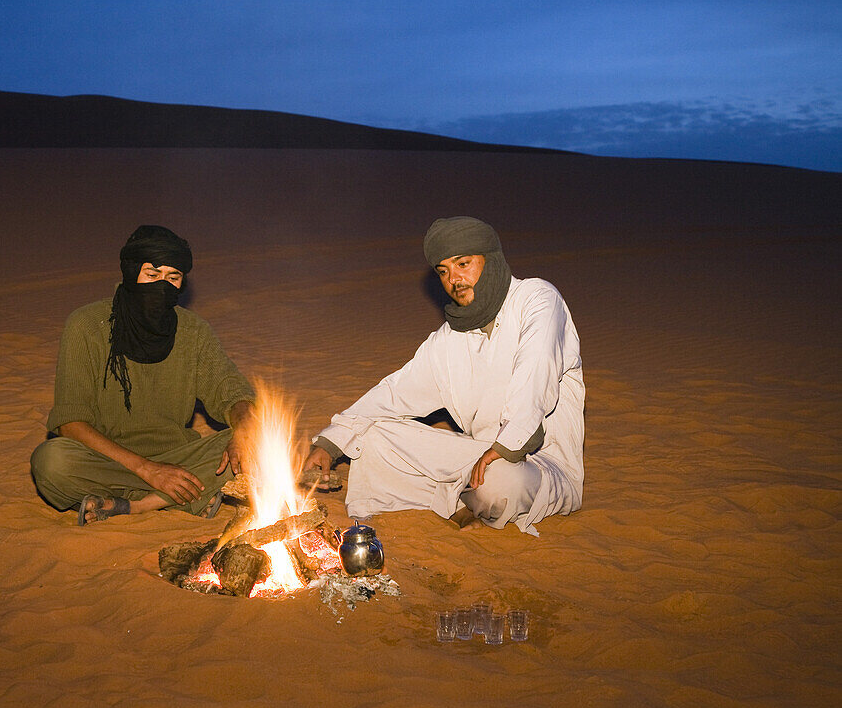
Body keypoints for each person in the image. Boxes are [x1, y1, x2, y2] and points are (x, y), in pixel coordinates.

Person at [302, 217, 584, 536]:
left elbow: (537, 374)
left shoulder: (537, 298)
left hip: (540, 466)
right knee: (370, 438)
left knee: (500, 482)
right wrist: (331, 443)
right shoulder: (449, 339)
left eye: (463, 264)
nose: (454, 279)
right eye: (443, 271)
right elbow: (393, 394)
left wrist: (507, 447)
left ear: (490, 260)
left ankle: (470, 498)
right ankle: (466, 501)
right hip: (476, 456)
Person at [30, 225, 255, 525]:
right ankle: (177, 498)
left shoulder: (193, 331)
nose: (161, 286)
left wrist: (242, 430)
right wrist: (149, 471)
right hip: (108, 459)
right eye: (152, 274)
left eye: (172, 278)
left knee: (260, 436)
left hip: (179, 458)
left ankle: (136, 505)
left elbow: (234, 394)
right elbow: (71, 424)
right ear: (131, 272)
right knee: (51, 461)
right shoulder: (86, 325)